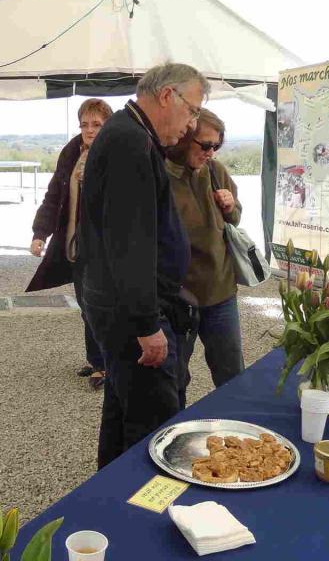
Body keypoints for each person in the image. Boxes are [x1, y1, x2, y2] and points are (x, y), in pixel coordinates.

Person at [77, 63, 208, 468]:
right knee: (155, 422)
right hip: (127, 311)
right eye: (192, 111)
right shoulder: (129, 141)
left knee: (124, 409)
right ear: (168, 96)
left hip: (118, 304)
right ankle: (140, 514)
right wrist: (147, 325)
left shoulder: (131, 134)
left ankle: (109, 501)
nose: (191, 126)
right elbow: (130, 243)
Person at [27, 98, 113, 389]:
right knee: (86, 307)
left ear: (108, 125)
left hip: (104, 249)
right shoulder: (71, 151)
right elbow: (54, 195)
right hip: (75, 247)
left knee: (99, 306)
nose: (89, 130)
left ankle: (107, 365)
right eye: (85, 124)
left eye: (97, 125)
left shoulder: (116, 153)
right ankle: (95, 359)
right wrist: (40, 232)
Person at [165, 108, 244, 387]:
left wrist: (231, 206)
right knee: (173, 379)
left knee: (231, 374)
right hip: (180, 298)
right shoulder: (160, 176)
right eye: (207, 145)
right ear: (184, 138)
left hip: (221, 291)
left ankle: (234, 426)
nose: (211, 152)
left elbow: (235, 217)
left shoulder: (215, 170)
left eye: (217, 146)